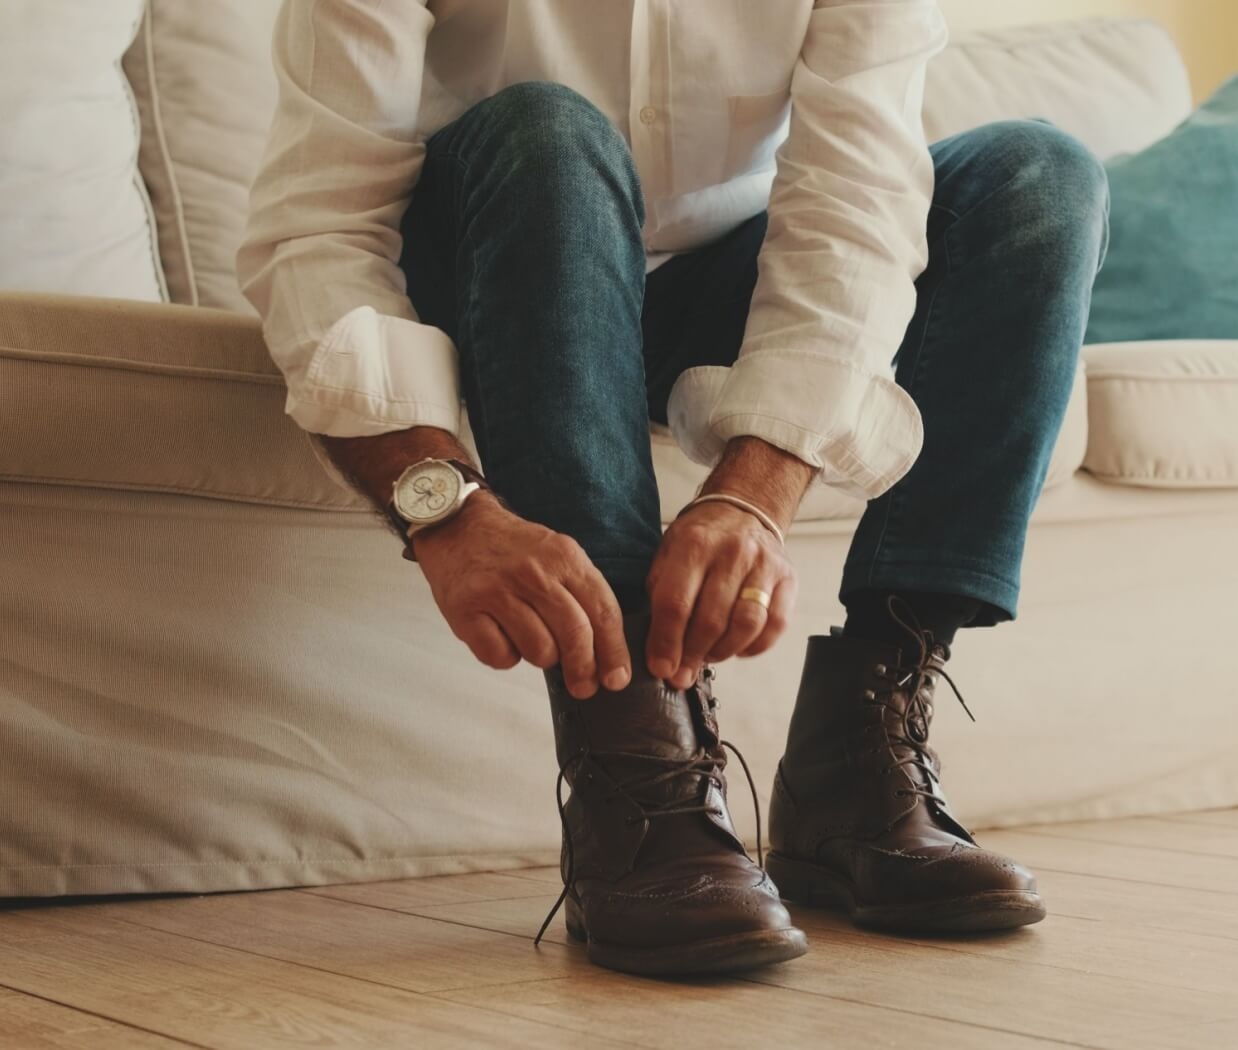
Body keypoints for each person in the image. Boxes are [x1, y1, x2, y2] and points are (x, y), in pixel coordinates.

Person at [240, 0, 1108, 978]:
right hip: (497, 240)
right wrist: (441, 503)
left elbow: (853, 203)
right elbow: (318, 228)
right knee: (549, 129)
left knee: (1038, 179)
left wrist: (754, 492)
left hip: (718, 275)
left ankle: (855, 776)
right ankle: (635, 767)